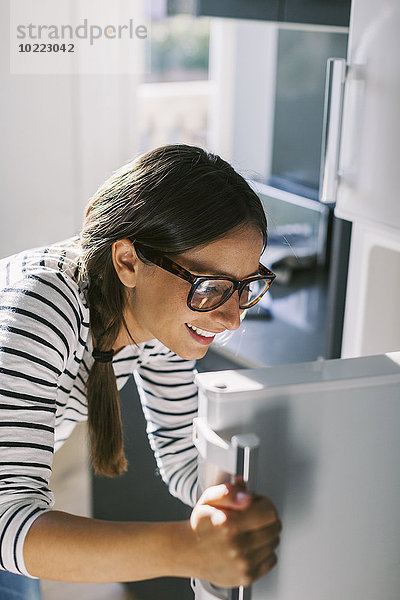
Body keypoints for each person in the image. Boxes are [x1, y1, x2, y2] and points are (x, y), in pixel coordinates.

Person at [0, 144, 281, 598]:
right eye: (211, 287)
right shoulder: (39, 306)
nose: (233, 319)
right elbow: (6, 520)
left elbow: (179, 455)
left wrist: (244, 506)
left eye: (246, 287)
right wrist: (186, 549)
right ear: (128, 261)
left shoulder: (166, 320)